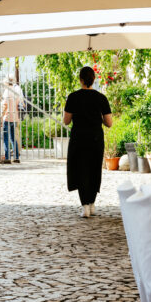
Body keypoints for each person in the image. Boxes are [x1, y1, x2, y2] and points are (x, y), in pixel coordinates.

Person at [63, 66, 113, 218]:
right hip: (96, 138)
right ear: (93, 80)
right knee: (94, 169)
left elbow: (66, 121)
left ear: (81, 80)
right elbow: (109, 123)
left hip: (79, 137)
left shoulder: (73, 97)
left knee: (81, 169)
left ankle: (85, 205)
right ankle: (92, 203)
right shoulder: (101, 98)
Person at [1, 78, 21, 164]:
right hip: (15, 117)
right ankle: (16, 157)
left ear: (6, 83)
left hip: (7, 117)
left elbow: (5, 105)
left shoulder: (6, 92)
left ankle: (7, 157)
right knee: (13, 138)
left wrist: (1, 116)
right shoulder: (16, 91)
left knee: (6, 138)